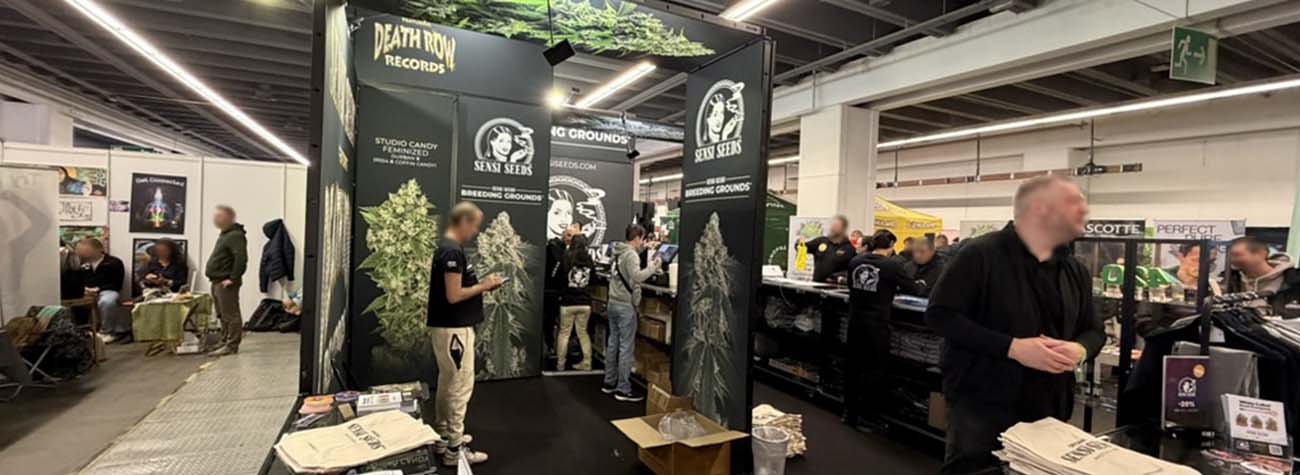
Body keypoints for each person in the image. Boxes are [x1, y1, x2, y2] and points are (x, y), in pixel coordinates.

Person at [925, 175, 1105, 474]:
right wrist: (1012, 348)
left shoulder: (1074, 269)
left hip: (1051, 403)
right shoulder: (980, 254)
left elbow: (1094, 330)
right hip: (983, 402)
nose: (1083, 212)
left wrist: (1080, 349)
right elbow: (940, 315)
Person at [427, 202, 502, 466]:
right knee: (459, 387)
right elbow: (454, 295)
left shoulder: (447, 248)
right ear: (464, 222)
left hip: (448, 328)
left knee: (448, 383)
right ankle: (454, 450)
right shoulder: (452, 251)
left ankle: (443, 436)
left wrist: (481, 286)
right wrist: (484, 286)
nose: (476, 231)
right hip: (455, 329)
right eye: (475, 225)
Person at [844, 232, 924, 428]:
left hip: (854, 322)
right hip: (876, 325)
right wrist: (921, 284)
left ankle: (849, 413)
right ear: (890, 246)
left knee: (853, 367)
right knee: (875, 369)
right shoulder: (891, 265)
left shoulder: (855, 261)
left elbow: (851, 285)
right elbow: (913, 288)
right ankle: (868, 415)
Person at [604, 224, 661, 402]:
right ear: (637, 238)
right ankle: (623, 389)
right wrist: (654, 266)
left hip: (613, 302)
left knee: (613, 343)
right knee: (626, 347)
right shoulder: (631, 254)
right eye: (642, 239)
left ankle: (609, 382)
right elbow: (637, 277)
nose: (643, 243)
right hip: (625, 305)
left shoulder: (618, 252)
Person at [205, 205, 248, 357]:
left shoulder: (235, 235)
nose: (216, 219)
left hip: (225, 281)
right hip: (217, 280)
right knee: (222, 314)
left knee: (230, 314)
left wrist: (233, 278)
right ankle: (224, 341)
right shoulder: (225, 235)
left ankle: (232, 345)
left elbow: (241, 259)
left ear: (230, 217)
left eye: (220, 216)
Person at [1223, 236, 1299, 314]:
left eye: (1237, 255)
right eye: (1229, 255)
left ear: (1261, 254)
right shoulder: (1229, 281)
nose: (1232, 259)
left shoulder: (1294, 282)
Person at [76, 238, 128, 343]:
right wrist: (84, 289)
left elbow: (117, 284)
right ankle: (79, 329)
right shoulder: (80, 263)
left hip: (107, 290)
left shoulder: (114, 263)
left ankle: (107, 331)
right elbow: (76, 280)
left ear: (98, 250)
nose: (84, 255)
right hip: (85, 290)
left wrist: (98, 289)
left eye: (87, 251)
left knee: (107, 301)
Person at [557, 233, 595, 371]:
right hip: (584, 302)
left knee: (564, 333)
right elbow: (594, 279)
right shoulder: (589, 259)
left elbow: (559, 277)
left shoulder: (566, 257)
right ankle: (587, 362)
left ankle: (560, 364)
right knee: (583, 333)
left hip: (568, 302)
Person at [544, 223, 579, 359]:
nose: (570, 239)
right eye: (568, 235)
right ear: (563, 235)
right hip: (551, 290)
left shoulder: (568, 251)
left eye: (573, 237)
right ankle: (550, 346)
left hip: (563, 291)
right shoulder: (553, 248)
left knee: (564, 321)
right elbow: (556, 269)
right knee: (550, 319)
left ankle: (560, 347)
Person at [802, 215, 856, 283]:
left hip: (836, 287)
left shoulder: (850, 249)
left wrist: (838, 276)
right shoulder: (821, 241)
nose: (832, 228)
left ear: (843, 229)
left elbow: (852, 269)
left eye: (836, 226)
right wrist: (799, 244)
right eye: (832, 225)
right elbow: (804, 247)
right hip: (816, 285)